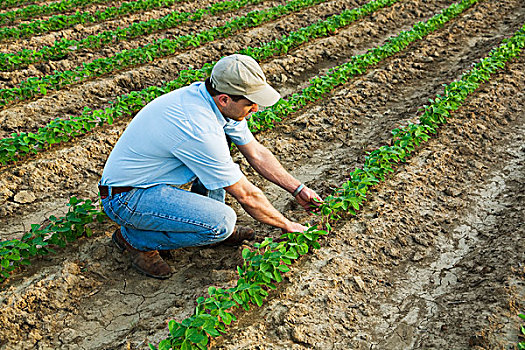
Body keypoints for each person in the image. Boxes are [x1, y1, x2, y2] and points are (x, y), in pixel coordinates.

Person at [98, 54, 322, 279]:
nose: (255, 108)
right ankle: (135, 240)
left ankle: (205, 225)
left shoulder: (214, 103)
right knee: (221, 222)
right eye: (250, 103)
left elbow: (257, 154)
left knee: (221, 150)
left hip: (152, 183)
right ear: (225, 99)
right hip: (127, 198)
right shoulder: (198, 127)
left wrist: (298, 189)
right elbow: (246, 195)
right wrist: (287, 224)